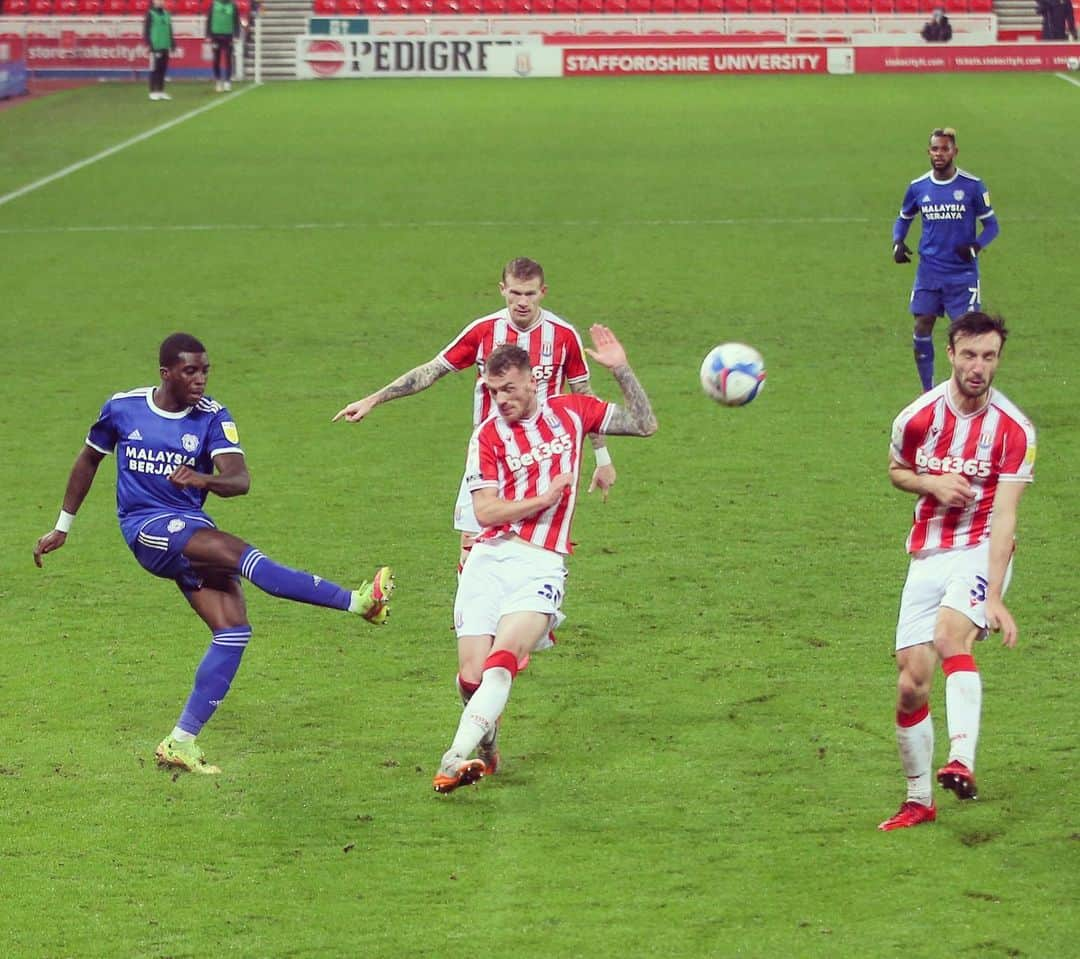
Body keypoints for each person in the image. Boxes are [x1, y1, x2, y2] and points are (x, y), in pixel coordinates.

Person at [34, 333, 394, 775]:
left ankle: (179, 741)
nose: (201, 380)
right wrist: (62, 526)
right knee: (234, 551)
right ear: (166, 373)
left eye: (205, 370)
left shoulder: (212, 417)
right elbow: (89, 460)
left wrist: (204, 481)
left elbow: (239, 479)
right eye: (190, 371)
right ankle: (358, 603)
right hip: (145, 527)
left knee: (233, 631)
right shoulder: (123, 408)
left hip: (190, 525)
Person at [432, 324, 657, 794]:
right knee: (470, 677)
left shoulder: (573, 412)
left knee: (502, 659)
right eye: (493, 392)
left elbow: (644, 424)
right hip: (488, 559)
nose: (502, 400)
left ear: (532, 380)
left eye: (509, 389)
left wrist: (621, 370)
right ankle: (489, 749)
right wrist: (542, 499)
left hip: (541, 562)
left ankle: (454, 757)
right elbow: (485, 511)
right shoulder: (487, 437)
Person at [333, 257, 617, 572]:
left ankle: (530, 617)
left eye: (530, 294)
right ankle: (474, 620)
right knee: (472, 551)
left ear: (543, 292)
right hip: (488, 455)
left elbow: (586, 399)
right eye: (515, 293)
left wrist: (602, 459)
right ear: (502, 289)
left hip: (541, 458)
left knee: (535, 553)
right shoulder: (483, 331)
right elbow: (433, 370)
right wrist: (375, 398)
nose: (522, 302)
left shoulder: (563, 336)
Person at [878, 312, 1035, 832]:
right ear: (950, 353)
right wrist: (933, 484)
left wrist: (992, 594)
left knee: (951, 637)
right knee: (910, 683)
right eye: (969, 355)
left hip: (981, 548)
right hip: (928, 552)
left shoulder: (1014, 430)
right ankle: (919, 800)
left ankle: (962, 760)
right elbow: (897, 471)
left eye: (989, 356)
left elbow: (1007, 514)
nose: (978, 366)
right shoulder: (917, 417)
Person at [892, 128, 1000, 392]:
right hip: (929, 270)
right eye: (935, 149)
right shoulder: (918, 187)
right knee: (922, 324)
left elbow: (992, 226)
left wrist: (976, 246)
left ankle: (968, 388)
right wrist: (898, 241)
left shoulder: (972, 186)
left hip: (961, 275)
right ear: (928, 152)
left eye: (945, 149)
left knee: (968, 337)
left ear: (955, 152)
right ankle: (928, 391)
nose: (939, 154)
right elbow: (904, 217)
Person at [206, 0, 241, 93]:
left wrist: (237, 35)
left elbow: (236, 21)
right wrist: (208, 34)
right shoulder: (214, 4)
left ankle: (227, 81)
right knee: (216, 59)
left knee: (228, 58)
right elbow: (209, 19)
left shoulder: (233, 5)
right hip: (216, 35)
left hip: (228, 35)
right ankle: (218, 81)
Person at [144, 0, 174, 102]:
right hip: (155, 47)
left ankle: (161, 91)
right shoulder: (150, 14)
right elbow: (146, 31)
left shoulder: (167, 14)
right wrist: (149, 45)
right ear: (154, 2)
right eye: (158, 0)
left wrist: (172, 43)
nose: (160, 2)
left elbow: (170, 29)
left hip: (165, 45)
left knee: (163, 70)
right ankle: (152, 92)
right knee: (154, 70)